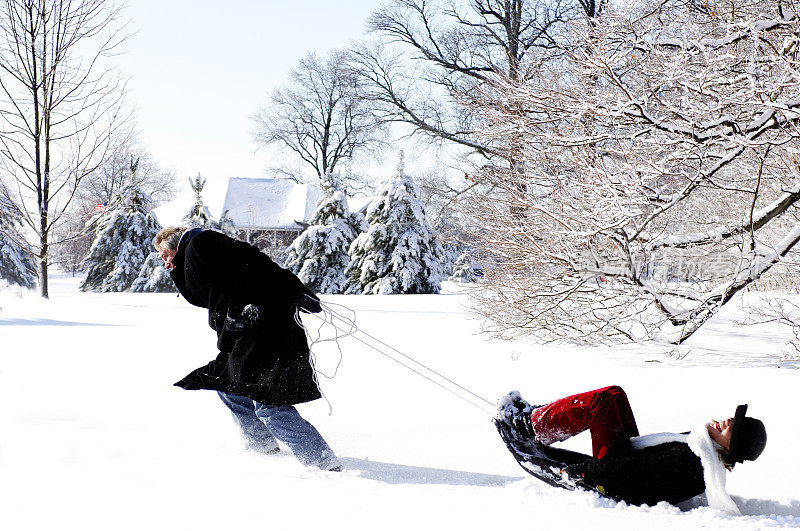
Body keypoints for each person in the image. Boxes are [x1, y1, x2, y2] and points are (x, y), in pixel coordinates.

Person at [154, 226, 340, 471]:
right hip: (246, 333)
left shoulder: (202, 242)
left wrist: (294, 292)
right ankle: (263, 450)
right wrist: (177, 271)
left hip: (265, 330)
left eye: (165, 254)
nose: (164, 260)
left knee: (269, 402)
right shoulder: (192, 255)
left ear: (174, 244)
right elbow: (202, 297)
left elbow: (255, 262)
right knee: (230, 387)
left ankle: (323, 463)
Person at [496, 385, 766, 511]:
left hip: (613, 474)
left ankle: (527, 425)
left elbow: (633, 480)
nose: (729, 420)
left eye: (734, 427)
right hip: (626, 457)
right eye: (734, 418)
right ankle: (539, 418)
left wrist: (578, 473)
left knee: (600, 403)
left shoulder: (696, 464)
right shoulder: (702, 447)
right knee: (614, 394)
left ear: (731, 447)